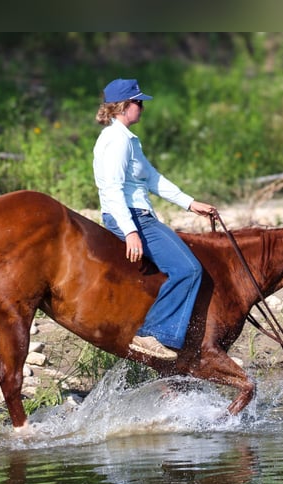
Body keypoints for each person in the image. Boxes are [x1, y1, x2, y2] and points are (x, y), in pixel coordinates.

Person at [93, 78, 217, 361]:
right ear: (124, 106)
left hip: (139, 215)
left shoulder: (128, 140)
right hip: (133, 217)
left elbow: (153, 179)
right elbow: (111, 189)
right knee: (188, 269)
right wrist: (130, 232)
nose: (142, 107)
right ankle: (152, 335)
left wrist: (190, 203)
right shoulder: (115, 141)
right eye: (138, 102)